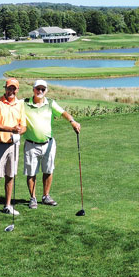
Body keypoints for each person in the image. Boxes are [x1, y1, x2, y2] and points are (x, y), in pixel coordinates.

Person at [21, 79, 80, 209]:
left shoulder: (51, 103)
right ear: (33, 89)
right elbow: (10, 103)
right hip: (31, 144)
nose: (40, 91)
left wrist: (73, 121)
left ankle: (46, 196)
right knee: (31, 172)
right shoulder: (24, 103)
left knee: (48, 170)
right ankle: (33, 198)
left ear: (46, 91)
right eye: (38, 89)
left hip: (48, 143)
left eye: (43, 89)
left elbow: (63, 113)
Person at [0, 78, 26, 226]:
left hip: (13, 145)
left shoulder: (20, 104)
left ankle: (7, 206)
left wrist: (20, 131)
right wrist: (11, 129)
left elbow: (24, 125)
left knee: (10, 176)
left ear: (17, 90)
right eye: (9, 88)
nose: (12, 91)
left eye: (14, 89)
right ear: (5, 88)